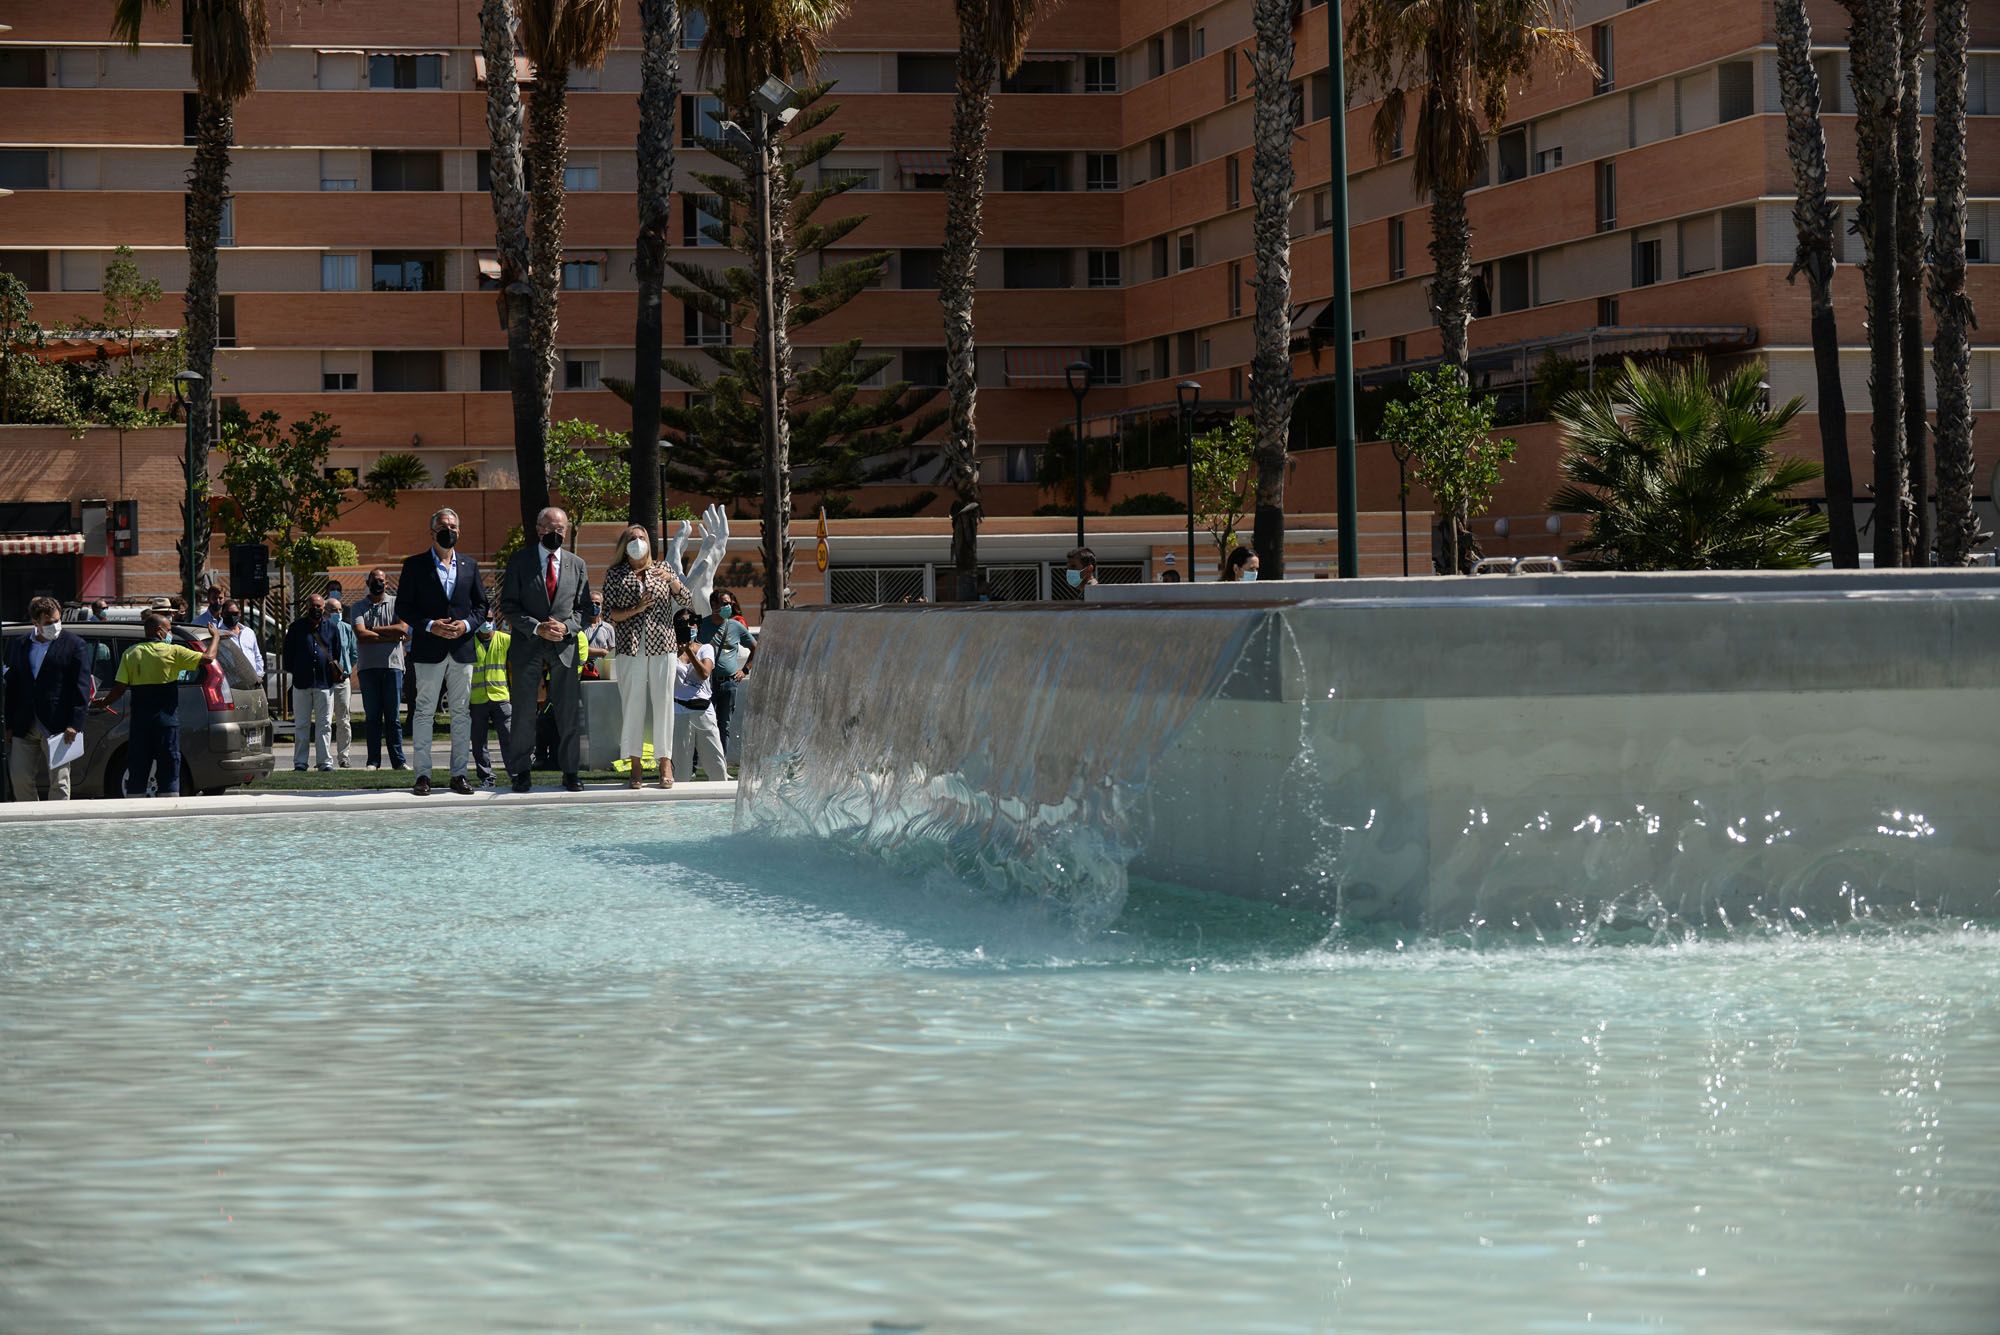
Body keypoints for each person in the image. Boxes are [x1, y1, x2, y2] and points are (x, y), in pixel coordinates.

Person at [397, 507, 487, 796]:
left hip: (461, 650)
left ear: (459, 531)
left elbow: (481, 607)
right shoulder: (414, 565)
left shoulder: (471, 565)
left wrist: (467, 624)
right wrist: (429, 625)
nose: (449, 530)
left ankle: (459, 774)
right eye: (443, 526)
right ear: (432, 531)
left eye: (453, 526)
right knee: (423, 712)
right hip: (428, 650)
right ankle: (423, 775)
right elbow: (404, 608)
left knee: (461, 714)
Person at [501, 505, 591, 793]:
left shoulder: (577, 564)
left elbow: (584, 609)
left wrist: (566, 627)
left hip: (563, 646)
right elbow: (509, 606)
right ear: (539, 529)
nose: (556, 533)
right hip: (528, 644)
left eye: (561, 529)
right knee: (524, 711)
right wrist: (537, 627)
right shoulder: (520, 561)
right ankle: (521, 771)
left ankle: (570, 771)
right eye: (551, 528)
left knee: (567, 712)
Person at [600, 522, 690, 790]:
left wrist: (672, 580)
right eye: (633, 538)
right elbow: (609, 614)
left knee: (663, 703)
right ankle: (635, 765)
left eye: (642, 537)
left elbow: (687, 600)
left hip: (663, 644)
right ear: (624, 545)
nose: (638, 541)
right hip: (630, 645)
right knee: (633, 705)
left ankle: (665, 762)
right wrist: (635, 609)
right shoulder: (616, 574)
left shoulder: (663, 568)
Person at [97, 610, 219, 797]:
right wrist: (215, 637)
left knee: (137, 765)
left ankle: (135, 804)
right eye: (168, 629)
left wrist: (103, 702)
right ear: (159, 631)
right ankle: (169, 803)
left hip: (140, 724)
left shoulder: (131, 653)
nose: (170, 634)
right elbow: (208, 659)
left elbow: (119, 688)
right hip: (166, 722)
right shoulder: (173, 651)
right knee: (169, 764)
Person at [3, 596, 93, 801]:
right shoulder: (19, 645)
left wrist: (75, 723)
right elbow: (12, 686)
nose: (55, 626)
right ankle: (31, 822)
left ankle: (58, 828)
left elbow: (82, 686)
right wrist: (9, 724)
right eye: (49, 623)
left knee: (60, 781)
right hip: (24, 722)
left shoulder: (74, 644)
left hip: (59, 724)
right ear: (36, 622)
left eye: (57, 620)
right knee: (19, 777)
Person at [348, 567, 409, 771]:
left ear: (387, 583)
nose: (378, 583)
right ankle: (373, 761)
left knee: (393, 718)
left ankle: (399, 761)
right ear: (367, 583)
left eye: (381, 580)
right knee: (372, 718)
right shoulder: (358, 607)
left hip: (393, 667)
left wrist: (372, 629)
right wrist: (389, 635)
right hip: (368, 669)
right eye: (374, 580)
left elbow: (402, 630)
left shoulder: (396, 603)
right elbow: (361, 636)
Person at [283, 593, 340, 771]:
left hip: (324, 683)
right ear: (307, 607)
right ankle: (300, 762)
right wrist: (299, 670)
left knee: (324, 725)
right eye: (313, 606)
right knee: (301, 724)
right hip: (302, 683)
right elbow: (288, 656)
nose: (316, 609)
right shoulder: (295, 628)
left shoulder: (331, 628)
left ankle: (325, 762)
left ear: (324, 609)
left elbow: (336, 653)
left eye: (319, 607)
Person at [671, 607, 728, 784]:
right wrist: (678, 648)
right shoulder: (669, 652)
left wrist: (689, 652)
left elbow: (704, 673)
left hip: (703, 710)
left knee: (716, 761)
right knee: (681, 767)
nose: (689, 626)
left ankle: (720, 804)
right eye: (683, 623)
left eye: (692, 622)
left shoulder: (706, 648)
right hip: (679, 710)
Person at [697, 586, 755, 760]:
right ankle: (694, 764)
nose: (728, 607)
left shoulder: (736, 626)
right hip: (704, 683)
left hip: (728, 683)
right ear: (713, 604)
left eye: (729, 603)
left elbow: (756, 648)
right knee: (701, 723)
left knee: (724, 725)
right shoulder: (702, 625)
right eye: (724, 603)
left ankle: (720, 764)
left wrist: (745, 670)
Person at [469, 614, 512, 787]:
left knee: (509, 738)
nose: (487, 623)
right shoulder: (469, 642)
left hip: (500, 696)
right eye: (484, 619)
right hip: (477, 698)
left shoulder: (505, 639)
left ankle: (515, 774)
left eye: (490, 619)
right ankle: (486, 777)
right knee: (479, 742)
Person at [322, 595, 358, 767]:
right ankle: (325, 758)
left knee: (343, 720)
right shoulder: (321, 629)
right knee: (325, 720)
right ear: (325, 612)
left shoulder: (347, 628)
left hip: (343, 680)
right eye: (334, 610)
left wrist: (345, 670)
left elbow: (353, 653)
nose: (338, 613)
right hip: (325, 681)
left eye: (340, 610)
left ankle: (344, 757)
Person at [217, 599, 264, 680]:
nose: (232, 616)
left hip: (253, 681)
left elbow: (257, 656)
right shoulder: (217, 635)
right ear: (222, 614)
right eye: (228, 614)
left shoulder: (249, 632)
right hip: (231, 683)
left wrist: (259, 675)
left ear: (240, 614)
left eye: (235, 613)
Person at [583, 596, 616, 678]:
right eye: (591, 603)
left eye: (597, 603)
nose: (594, 606)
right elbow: (578, 649)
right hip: (584, 669)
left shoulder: (608, 628)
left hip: (602, 669)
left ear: (602, 606)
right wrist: (602, 651)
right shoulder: (578, 627)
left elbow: (612, 652)